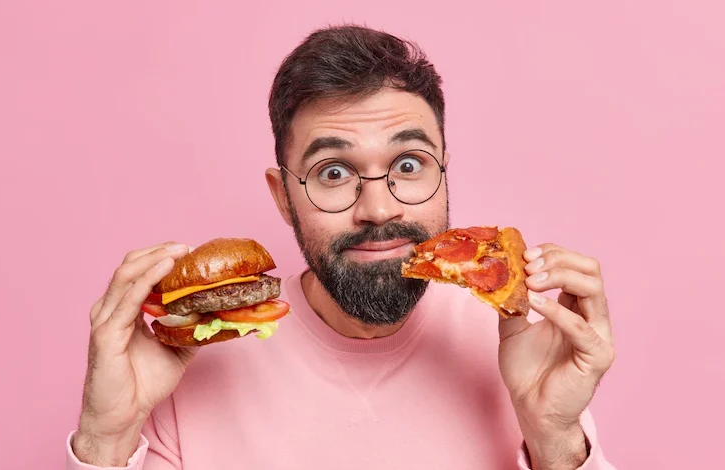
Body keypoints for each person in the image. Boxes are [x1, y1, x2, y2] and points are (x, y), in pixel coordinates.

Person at [66, 25, 616, 469]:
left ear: (446, 173)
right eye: (333, 172)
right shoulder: (189, 365)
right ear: (284, 197)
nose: (378, 210)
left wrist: (555, 439)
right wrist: (104, 439)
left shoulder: (519, 343)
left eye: (408, 165)